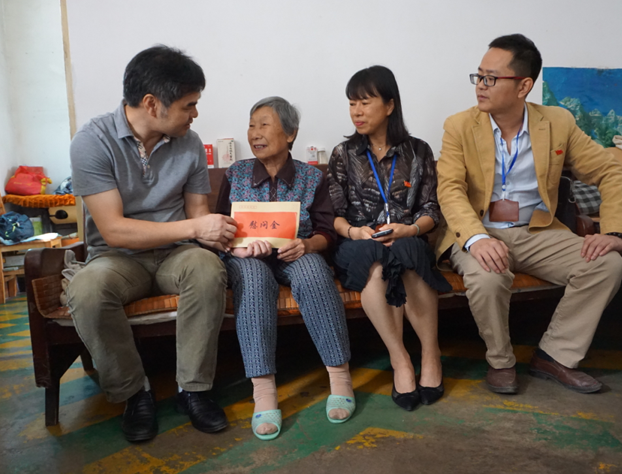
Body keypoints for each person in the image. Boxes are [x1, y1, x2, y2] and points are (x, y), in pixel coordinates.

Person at [436, 34, 622, 395]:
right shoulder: (459, 126)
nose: (480, 85)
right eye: (479, 76)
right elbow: (449, 188)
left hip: (537, 231)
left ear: (523, 86)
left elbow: (610, 171)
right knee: (488, 278)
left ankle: (555, 356)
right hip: (480, 230)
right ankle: (501, 361)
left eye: (491, 78)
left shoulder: (558, 123)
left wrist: (616, 232)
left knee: (607, 265)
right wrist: (477, 238)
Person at [68, 46, 235, 442]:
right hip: (117, 258)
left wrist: (221, 232)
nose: (195, 114)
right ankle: (134, 394)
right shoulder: (92, 142)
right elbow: (114, 231)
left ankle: (194, 390)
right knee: (87, 289)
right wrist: (195, 228)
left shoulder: (189, 143)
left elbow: (197, 214)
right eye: (189, 105)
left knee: (206, 268)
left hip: (176, 255)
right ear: (151, 104)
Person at [216, 96, 354, 441]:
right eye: (251, 125)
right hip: (247, 258)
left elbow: (326, 232)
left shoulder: (311, 177)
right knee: (253, 277)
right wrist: (237, 248)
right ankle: (263, 392)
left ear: (290, 133)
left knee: (313, 271)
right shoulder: (235, 174)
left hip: (296, 253)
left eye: (264, 125)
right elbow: (219, 228)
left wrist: (307, 245)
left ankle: (340, 378)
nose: (255, 133)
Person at [328, 66, 451, 412]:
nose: (356, 111)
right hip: (358, 241)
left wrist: (409, 229)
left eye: (365, 102)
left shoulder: (418, 151)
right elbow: (332, 215)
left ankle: (430, 354)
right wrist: (355, 232)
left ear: (390, 105)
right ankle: (400, 360)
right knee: (374, 259)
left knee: (408, 252)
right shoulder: (343, 154)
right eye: (352, 103)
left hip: (407, 237)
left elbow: (431, 210)